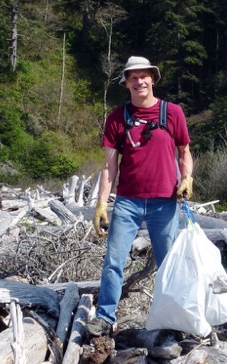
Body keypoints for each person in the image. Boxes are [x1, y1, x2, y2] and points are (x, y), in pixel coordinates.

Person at [86, 56, 194, 336]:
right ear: (126, 83)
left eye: (144, 76)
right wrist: (101, 203)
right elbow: (110, 166)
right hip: (127, 203)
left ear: (153, 79)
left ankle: (173, 320)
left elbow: (184, 152)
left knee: (168, 264)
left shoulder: (173, 113)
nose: (139, 81)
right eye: (133, 77)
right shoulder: (117, 118)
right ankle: (105, 317)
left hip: (165, 202)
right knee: (113, 260)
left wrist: (187, 177)